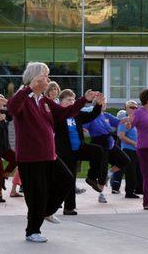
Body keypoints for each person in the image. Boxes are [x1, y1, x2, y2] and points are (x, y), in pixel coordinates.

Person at [7, 62, 97, 243]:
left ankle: (47, 212)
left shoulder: (44, 101)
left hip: (49, 154)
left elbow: (65, 113)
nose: (48, 79)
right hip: (30, 156)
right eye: (45, 75)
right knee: (36, 194)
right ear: (35, 78)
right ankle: (32, 231)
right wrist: (29, 88)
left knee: (67, 179)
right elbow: (11, 109)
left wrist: (83, 100)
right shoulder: (24, 97)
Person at [54, 89, 105, 215]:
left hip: (79, 148)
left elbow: (91, 115)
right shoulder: (58, 114)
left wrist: (98, 104)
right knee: (71, 179)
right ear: (61, 102)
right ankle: (69, 207)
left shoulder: (76, 114)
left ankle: (91, 177)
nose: (72, 102)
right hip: (66, 152)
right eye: (68, 100)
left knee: (98, 151)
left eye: (73, 100)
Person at [82, 100, 130, 204]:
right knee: (102, 170)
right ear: (95, 106)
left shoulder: (106, 115)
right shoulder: (91, 116)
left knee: (125, 160)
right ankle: (101, 194)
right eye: (102, 104)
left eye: (105, 103)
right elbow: (83, 127)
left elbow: (118, 121)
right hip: (98, 143)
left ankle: (110, 173)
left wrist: (129, 119)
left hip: (110, 142)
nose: (104, 105)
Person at [111, 100, 142, 196]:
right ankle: (129, 192)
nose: (134, 109)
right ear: (126, 108)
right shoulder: (124, 120)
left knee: (139, 171)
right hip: (128, 149)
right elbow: (121, 136)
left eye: (136, 107)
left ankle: (139, 189)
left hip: (137, 150)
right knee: (130, 172)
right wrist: (134, 143)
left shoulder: (136, 120)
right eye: (132, 107)